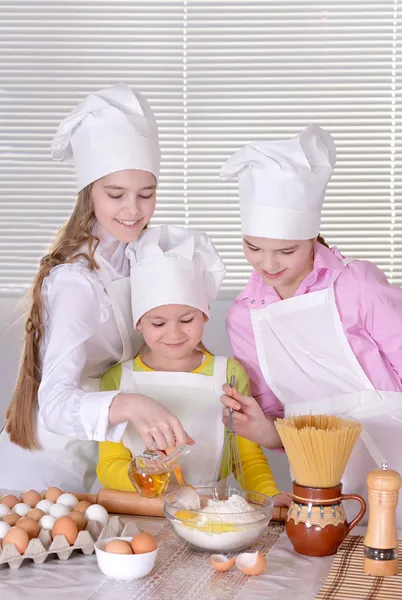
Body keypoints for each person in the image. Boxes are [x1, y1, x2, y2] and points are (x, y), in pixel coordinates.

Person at [0, 83, 190, 493]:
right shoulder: (75, 282)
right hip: (52, 463)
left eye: (147, 194)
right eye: (115, 194)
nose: (133, 210)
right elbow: (54, 406)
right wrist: (132, 404)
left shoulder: (140, 253)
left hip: (105, 449)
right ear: (89, 192)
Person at [219, 124, 402, 524]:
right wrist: (260, 428)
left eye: (285, 250)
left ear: (312, 239)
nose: (268, 265)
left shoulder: (357, 285)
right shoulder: (245, 315)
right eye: (253, 248)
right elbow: (280, 420)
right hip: (323, 487)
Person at [97, 224, 283, 500]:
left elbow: (247, 459)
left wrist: (268, 495)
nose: (174, 334)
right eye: (158, 323)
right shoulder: (116, 379)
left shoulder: (229, 374)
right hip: (143, 512)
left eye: (187, 320)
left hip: (210, 514)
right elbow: (108, 465)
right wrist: (147, 475)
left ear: (205, 316)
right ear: (139, 323)